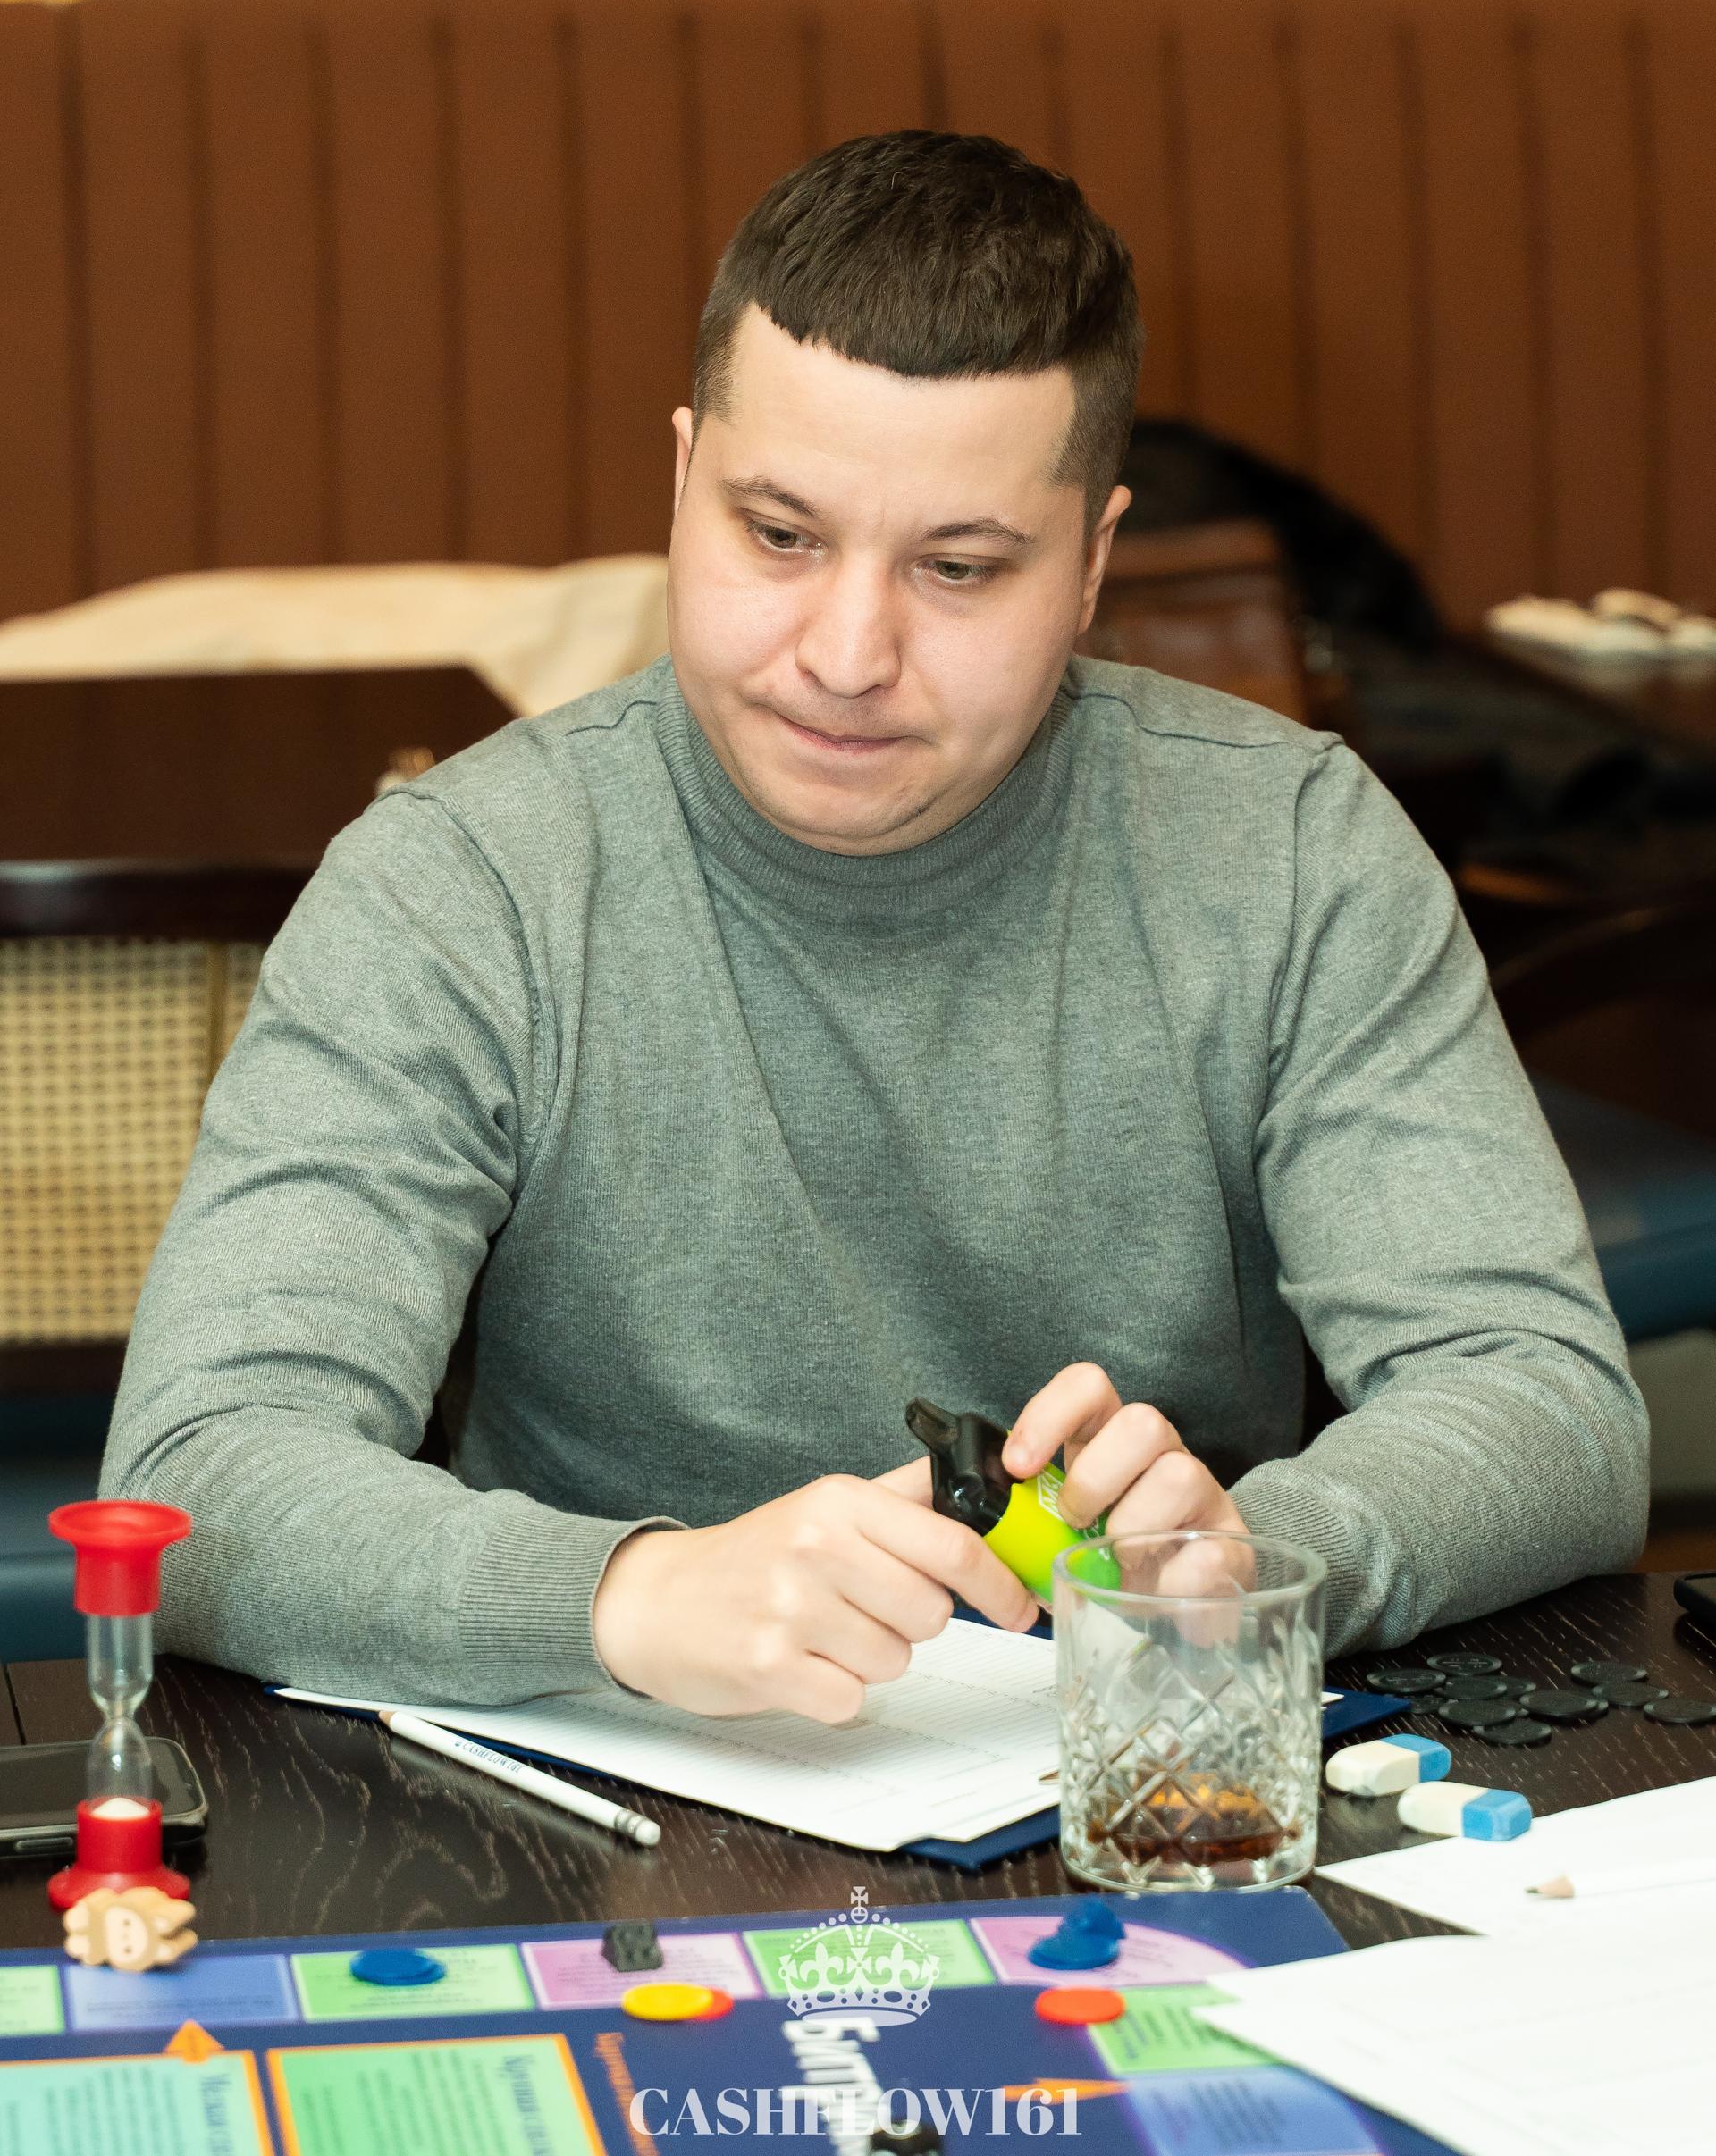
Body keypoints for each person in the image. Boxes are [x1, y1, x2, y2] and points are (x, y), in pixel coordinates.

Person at [103, 130, 1648, 1721]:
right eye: (778, 536)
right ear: (682, 480)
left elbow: (1545, 1399)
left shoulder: (1293, 846)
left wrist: (1254, 1558)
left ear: (1093, 563)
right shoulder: (457, 886)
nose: (846, 654)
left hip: (1137, 1759)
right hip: (602, 1782)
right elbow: (197, 1476)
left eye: (959, 568)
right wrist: (626, 1594)